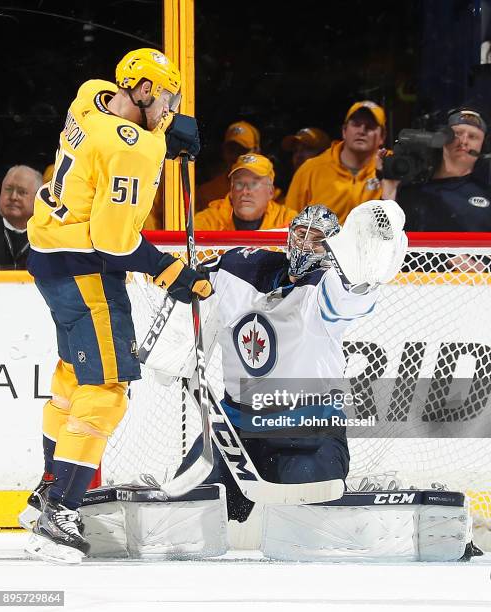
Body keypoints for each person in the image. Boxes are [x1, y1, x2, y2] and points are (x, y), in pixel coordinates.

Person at [22, 48, 213, 563]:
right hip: (87, 270)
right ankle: (58, 511)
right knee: (106, 392)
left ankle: (46, 489)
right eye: (167, 95)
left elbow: (122, 129)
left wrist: (161, 127)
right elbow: (115, 243)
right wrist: (172, 272)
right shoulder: (134, 151)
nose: (170, 104)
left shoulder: (89, 95)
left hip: (48, 257)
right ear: (146, 90)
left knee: (71, 381)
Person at [180, 199, 407, 521]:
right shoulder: (239, 267)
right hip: (237, 433)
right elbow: (192, 282)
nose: (306, 245)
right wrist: (179, 278)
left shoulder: (327, 286)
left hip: (308, 435)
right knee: (183, 517)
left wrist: (369, 266)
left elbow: (352, 295)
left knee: (307, 524)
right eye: (302, 234)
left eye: (318, 239)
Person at [380, 107, 491, 232]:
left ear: (483, 147)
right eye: (457, 134)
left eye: (472, 137)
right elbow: (382, 238)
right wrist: (389, 192)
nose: (464, 141)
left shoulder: (487, 196)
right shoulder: (410, 191)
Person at [285, 101, 386, 224]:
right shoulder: (310, 170)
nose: (362, 130)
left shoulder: (391, 167)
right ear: (344, 131)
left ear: (382, 137)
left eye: (370, 126)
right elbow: (289, 224)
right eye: (356, 124)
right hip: (321, 243)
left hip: (376, 243)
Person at [194, 153, 296, 230]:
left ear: (270, 192)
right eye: (239, 184)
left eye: (254, 184)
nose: (245, 191)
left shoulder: (287, 220)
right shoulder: (208, 221)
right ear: (231, 191)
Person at [196, 120, 260, 211]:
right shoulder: (206, 192)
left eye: (242, 151)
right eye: (231, 149)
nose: (235, 156)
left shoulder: (271, 193)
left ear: (256, 152)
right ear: (224, 151)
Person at [0, 165, 42, 269]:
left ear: (37, 198)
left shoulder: (47, 236)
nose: (13, 197)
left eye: (22, 192)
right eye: (8, 189)